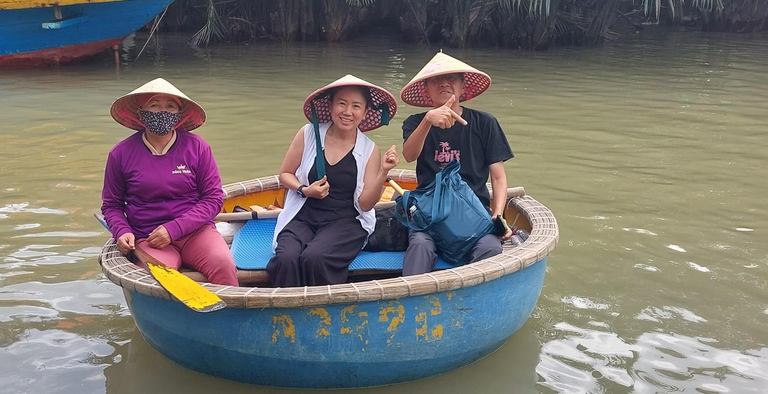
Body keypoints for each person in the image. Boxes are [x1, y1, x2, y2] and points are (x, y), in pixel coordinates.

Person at [101, 78, 238, 286]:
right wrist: (122, 230)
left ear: (178, 115)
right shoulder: (120, 153)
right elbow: (112, 205)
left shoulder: (198, 147)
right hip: (149, 237)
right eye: (154, 105)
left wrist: (173, 229)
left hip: (196, 232)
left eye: (170, 106)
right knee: (155, 278)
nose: (162, 111)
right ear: (141, 112)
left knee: (223, 263)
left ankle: (229, 317)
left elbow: (213, 199)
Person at [268, 75, 400, 287]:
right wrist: (304, 190)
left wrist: (383, 172)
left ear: (365, 112)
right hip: (303, 215)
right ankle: (287, 315)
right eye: (342, 103)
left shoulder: (369, 149)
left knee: (315, 258)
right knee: (286, 258)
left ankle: (321, 313)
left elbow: (366, 204)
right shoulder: (308, 133)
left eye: (356, 106)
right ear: (330, 106)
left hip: (346, 221)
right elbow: (285, 174)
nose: (348, 112)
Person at [400, 52, 514, 276]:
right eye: (435, 79)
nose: (444, 83)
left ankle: (473, 305)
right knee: (420, 246)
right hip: (428, 215)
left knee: (490, 248)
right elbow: (409, 155)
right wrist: (427, 121)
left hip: (474, 214)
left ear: (463, 87)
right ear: (426, 89)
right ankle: (412, 304)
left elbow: (498, 177)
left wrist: (498, 214)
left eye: (452, 78)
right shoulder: (414, 122)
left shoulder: (485, 123)